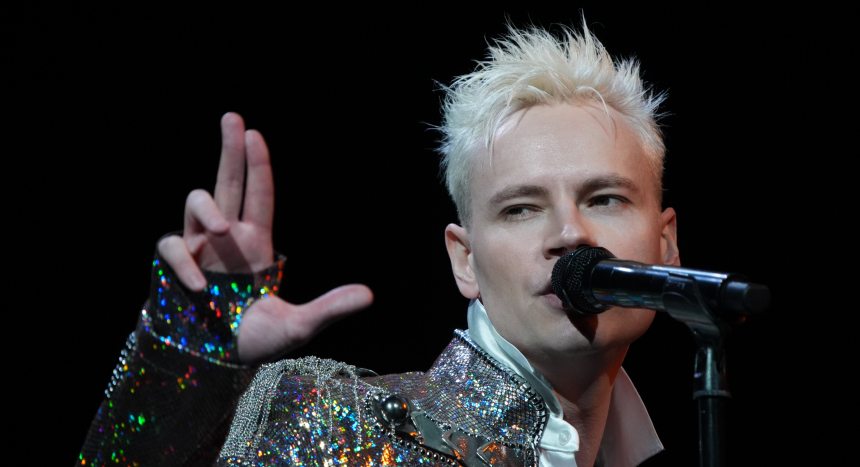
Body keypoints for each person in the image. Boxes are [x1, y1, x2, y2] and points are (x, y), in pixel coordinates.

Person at [79, 23, 679, 467]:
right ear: (464, 260)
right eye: (520, 208)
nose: (571, 234)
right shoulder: (338, 422)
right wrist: (192, 346)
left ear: (665, 244)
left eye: (605, 199)